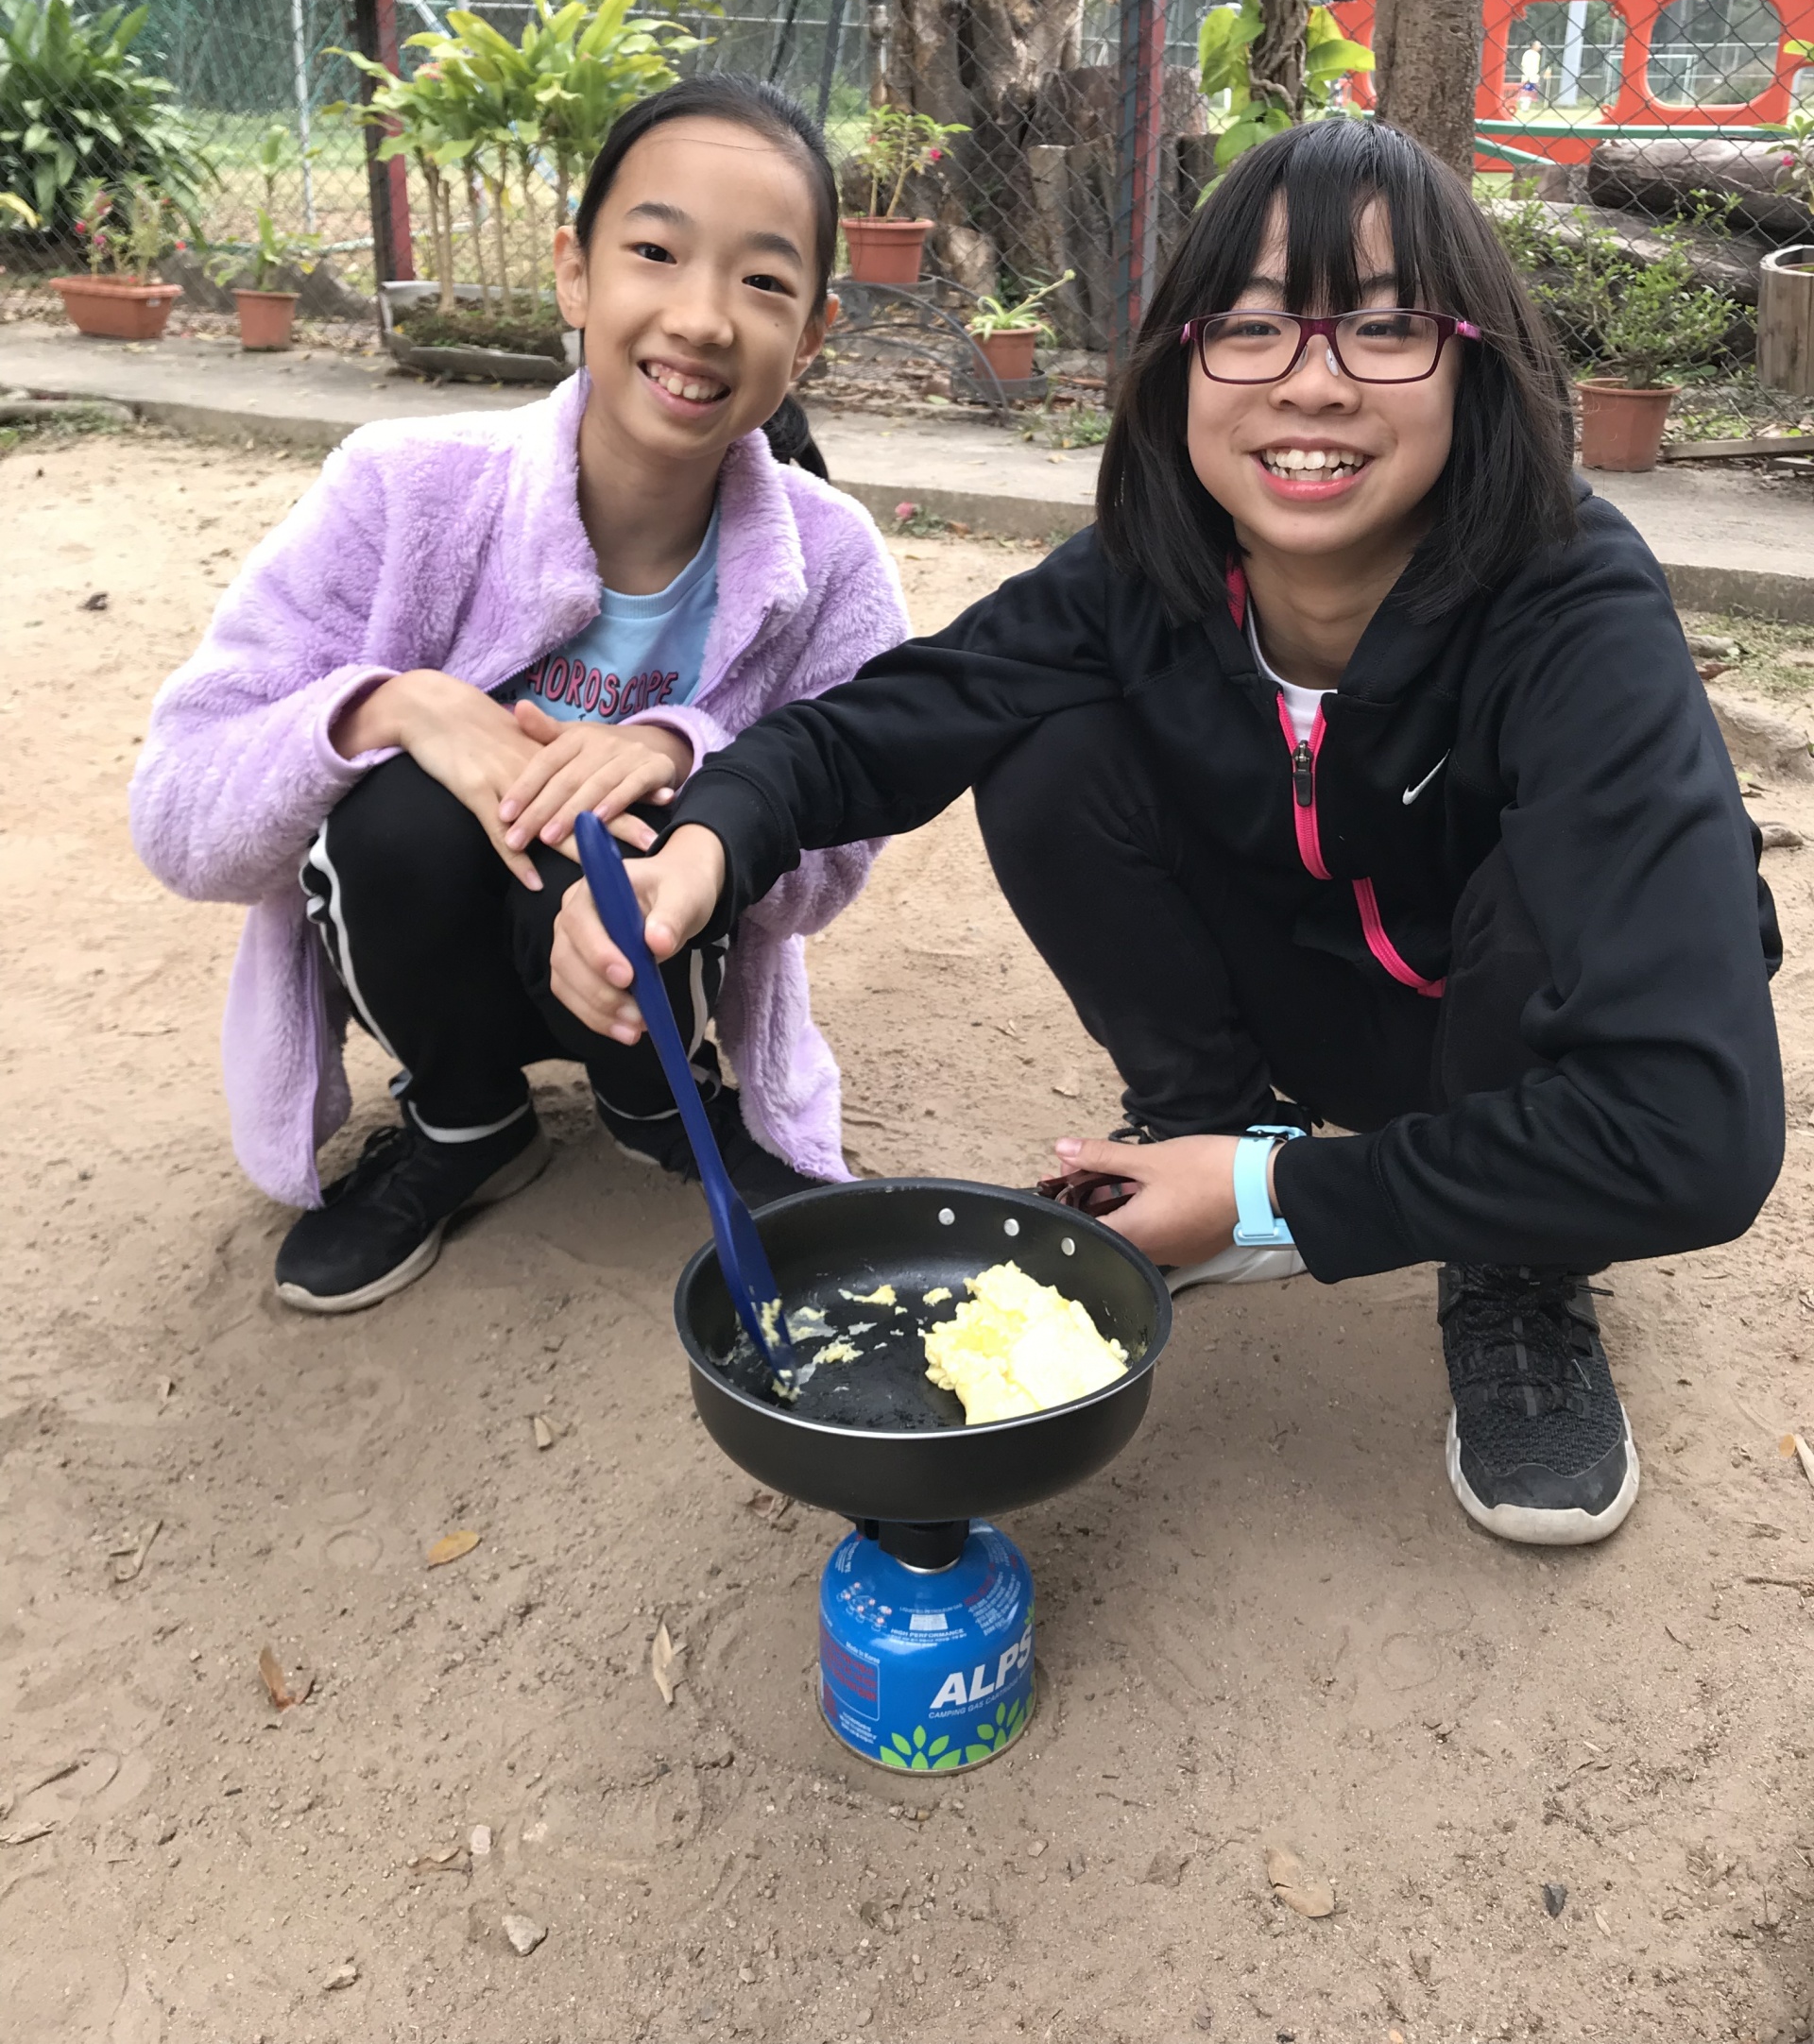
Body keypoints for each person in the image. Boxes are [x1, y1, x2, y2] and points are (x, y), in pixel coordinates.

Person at [545, 114, 1784, 1549]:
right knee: (1043, 744)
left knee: (1540, 894)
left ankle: (1512, 1269)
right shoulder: (1148, 572)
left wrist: (1279, 1198)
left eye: (1385, 329)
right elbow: (888, 721)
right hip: (1310, 1006)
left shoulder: (1575, 610)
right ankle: (1215, 1126)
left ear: (1474, 367)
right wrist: (706, 841)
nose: (1311, 385)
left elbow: (1695, 1133)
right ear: (1182, 367)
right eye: (1251, 328)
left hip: (1503, 1046)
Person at [130, 76, 910, 1315]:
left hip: (648, 965)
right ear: (574, 274)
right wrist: (392, 708)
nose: (702, 317)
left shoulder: (832, 562)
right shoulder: (402, 489)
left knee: (653, 818)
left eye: (763, 280)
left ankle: (659, 1102)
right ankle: (466, 1121)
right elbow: (180, 808)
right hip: (431, 946)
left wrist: (686, 753)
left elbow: (831, 864)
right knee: (398, 806)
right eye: (654, 252)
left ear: (811, 334)